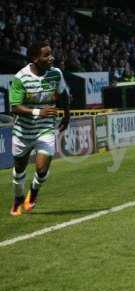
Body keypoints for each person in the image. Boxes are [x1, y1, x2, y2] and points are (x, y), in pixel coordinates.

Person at [9, 41, 70, 216]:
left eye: (51, 53)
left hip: (45, 129)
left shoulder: (55, 73)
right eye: (46, 55)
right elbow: (14, 107)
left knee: (42, 169)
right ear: (35, 58)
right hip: (22, 132)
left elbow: (63, 95)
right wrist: (38, 112)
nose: (51, 57)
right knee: (19, 169)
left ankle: (33, 192)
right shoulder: (21, 78)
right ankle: (18, 198)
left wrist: (67, 115)